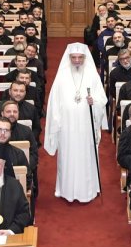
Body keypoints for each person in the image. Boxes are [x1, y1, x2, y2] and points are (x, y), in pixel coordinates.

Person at [44, 43, 107, 204]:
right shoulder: (62, 76)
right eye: (74, 57)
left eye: (80, 57)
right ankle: (66, 190)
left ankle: (88, 190)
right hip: (67, 127)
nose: (77, 60)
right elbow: (53, 103)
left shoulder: (92, 75)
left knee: (86, 156)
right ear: (69, 58)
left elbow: (102, 99)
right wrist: (56, 123)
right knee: (68, 157)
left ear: (85, 58)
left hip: (86, 126)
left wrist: (95, 102)